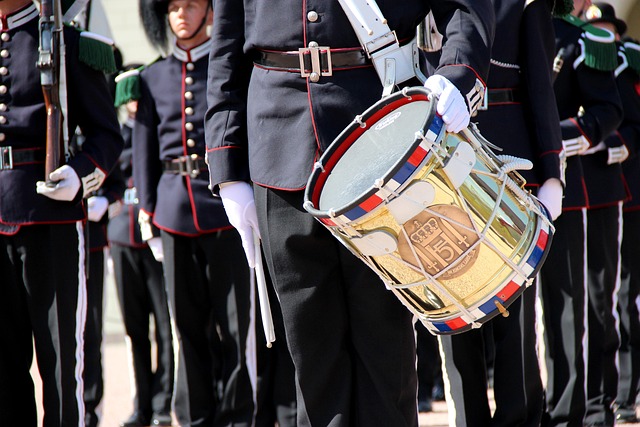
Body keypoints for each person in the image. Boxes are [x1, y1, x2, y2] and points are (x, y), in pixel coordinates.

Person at [204, 1, 494, 425]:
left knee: (386, 347)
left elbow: (465, 9)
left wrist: (458, 72)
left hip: (382, 134)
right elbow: (226, 45)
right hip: (278, 143)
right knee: (311, 355)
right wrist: (226, 165)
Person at [124, 0, 256, 425]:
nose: (181, 13)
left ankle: (236, 416)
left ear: (209, 13)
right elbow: (143, 153)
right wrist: (148, 213)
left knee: (237, 327)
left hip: (224, 212)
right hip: (172, 214)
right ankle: (197, 416)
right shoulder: (151, 77)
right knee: (187, 329)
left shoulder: (228, 69)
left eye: (192, 5)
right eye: (174, 6)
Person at [435, 0, 566, 425]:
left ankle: (520, 417)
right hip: (438, 167)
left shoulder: (522, 4)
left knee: (515, 315)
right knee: (451, 308)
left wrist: (551, 171)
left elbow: (540, 89)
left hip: (509, 166)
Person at [0, 0, 123, 425]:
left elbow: (107, 135)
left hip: (49, 218)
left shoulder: (69, 43)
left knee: (59, 364)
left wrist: (80, 174)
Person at [540, 0, 623, 425]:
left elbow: (606, 111)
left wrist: (559, 139)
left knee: (575, 305)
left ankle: (579, 408)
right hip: (506, 183)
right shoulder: (501, 30)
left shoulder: (585, 40)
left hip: (565, 185)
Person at [110, 70, 175, 427]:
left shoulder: (157, 132)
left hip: (155, 238)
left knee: (164, 328)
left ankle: (164, 402)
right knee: (135, 331)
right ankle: (143, 405)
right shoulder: (117, 136)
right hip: (123, 238)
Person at [585, 3, 640, 423]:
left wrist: (622, 145)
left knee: (620, 296)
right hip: (586, 189)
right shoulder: (575, 51)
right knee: (590, 301)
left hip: (620, 188)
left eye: (605, 27)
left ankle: (622, 395)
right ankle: (596, 396)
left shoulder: (628, 62)